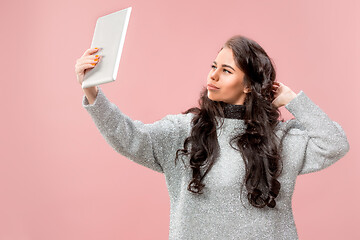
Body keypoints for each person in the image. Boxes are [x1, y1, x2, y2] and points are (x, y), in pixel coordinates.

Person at [75, 35, 350, 240]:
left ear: (249, 85)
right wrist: (92, 93)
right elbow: (129, 137)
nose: (213, 76)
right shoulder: (185, 131)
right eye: (214, 66)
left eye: (226, 71)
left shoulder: (280, 139)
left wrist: (293, 100)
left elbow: (335, 144)